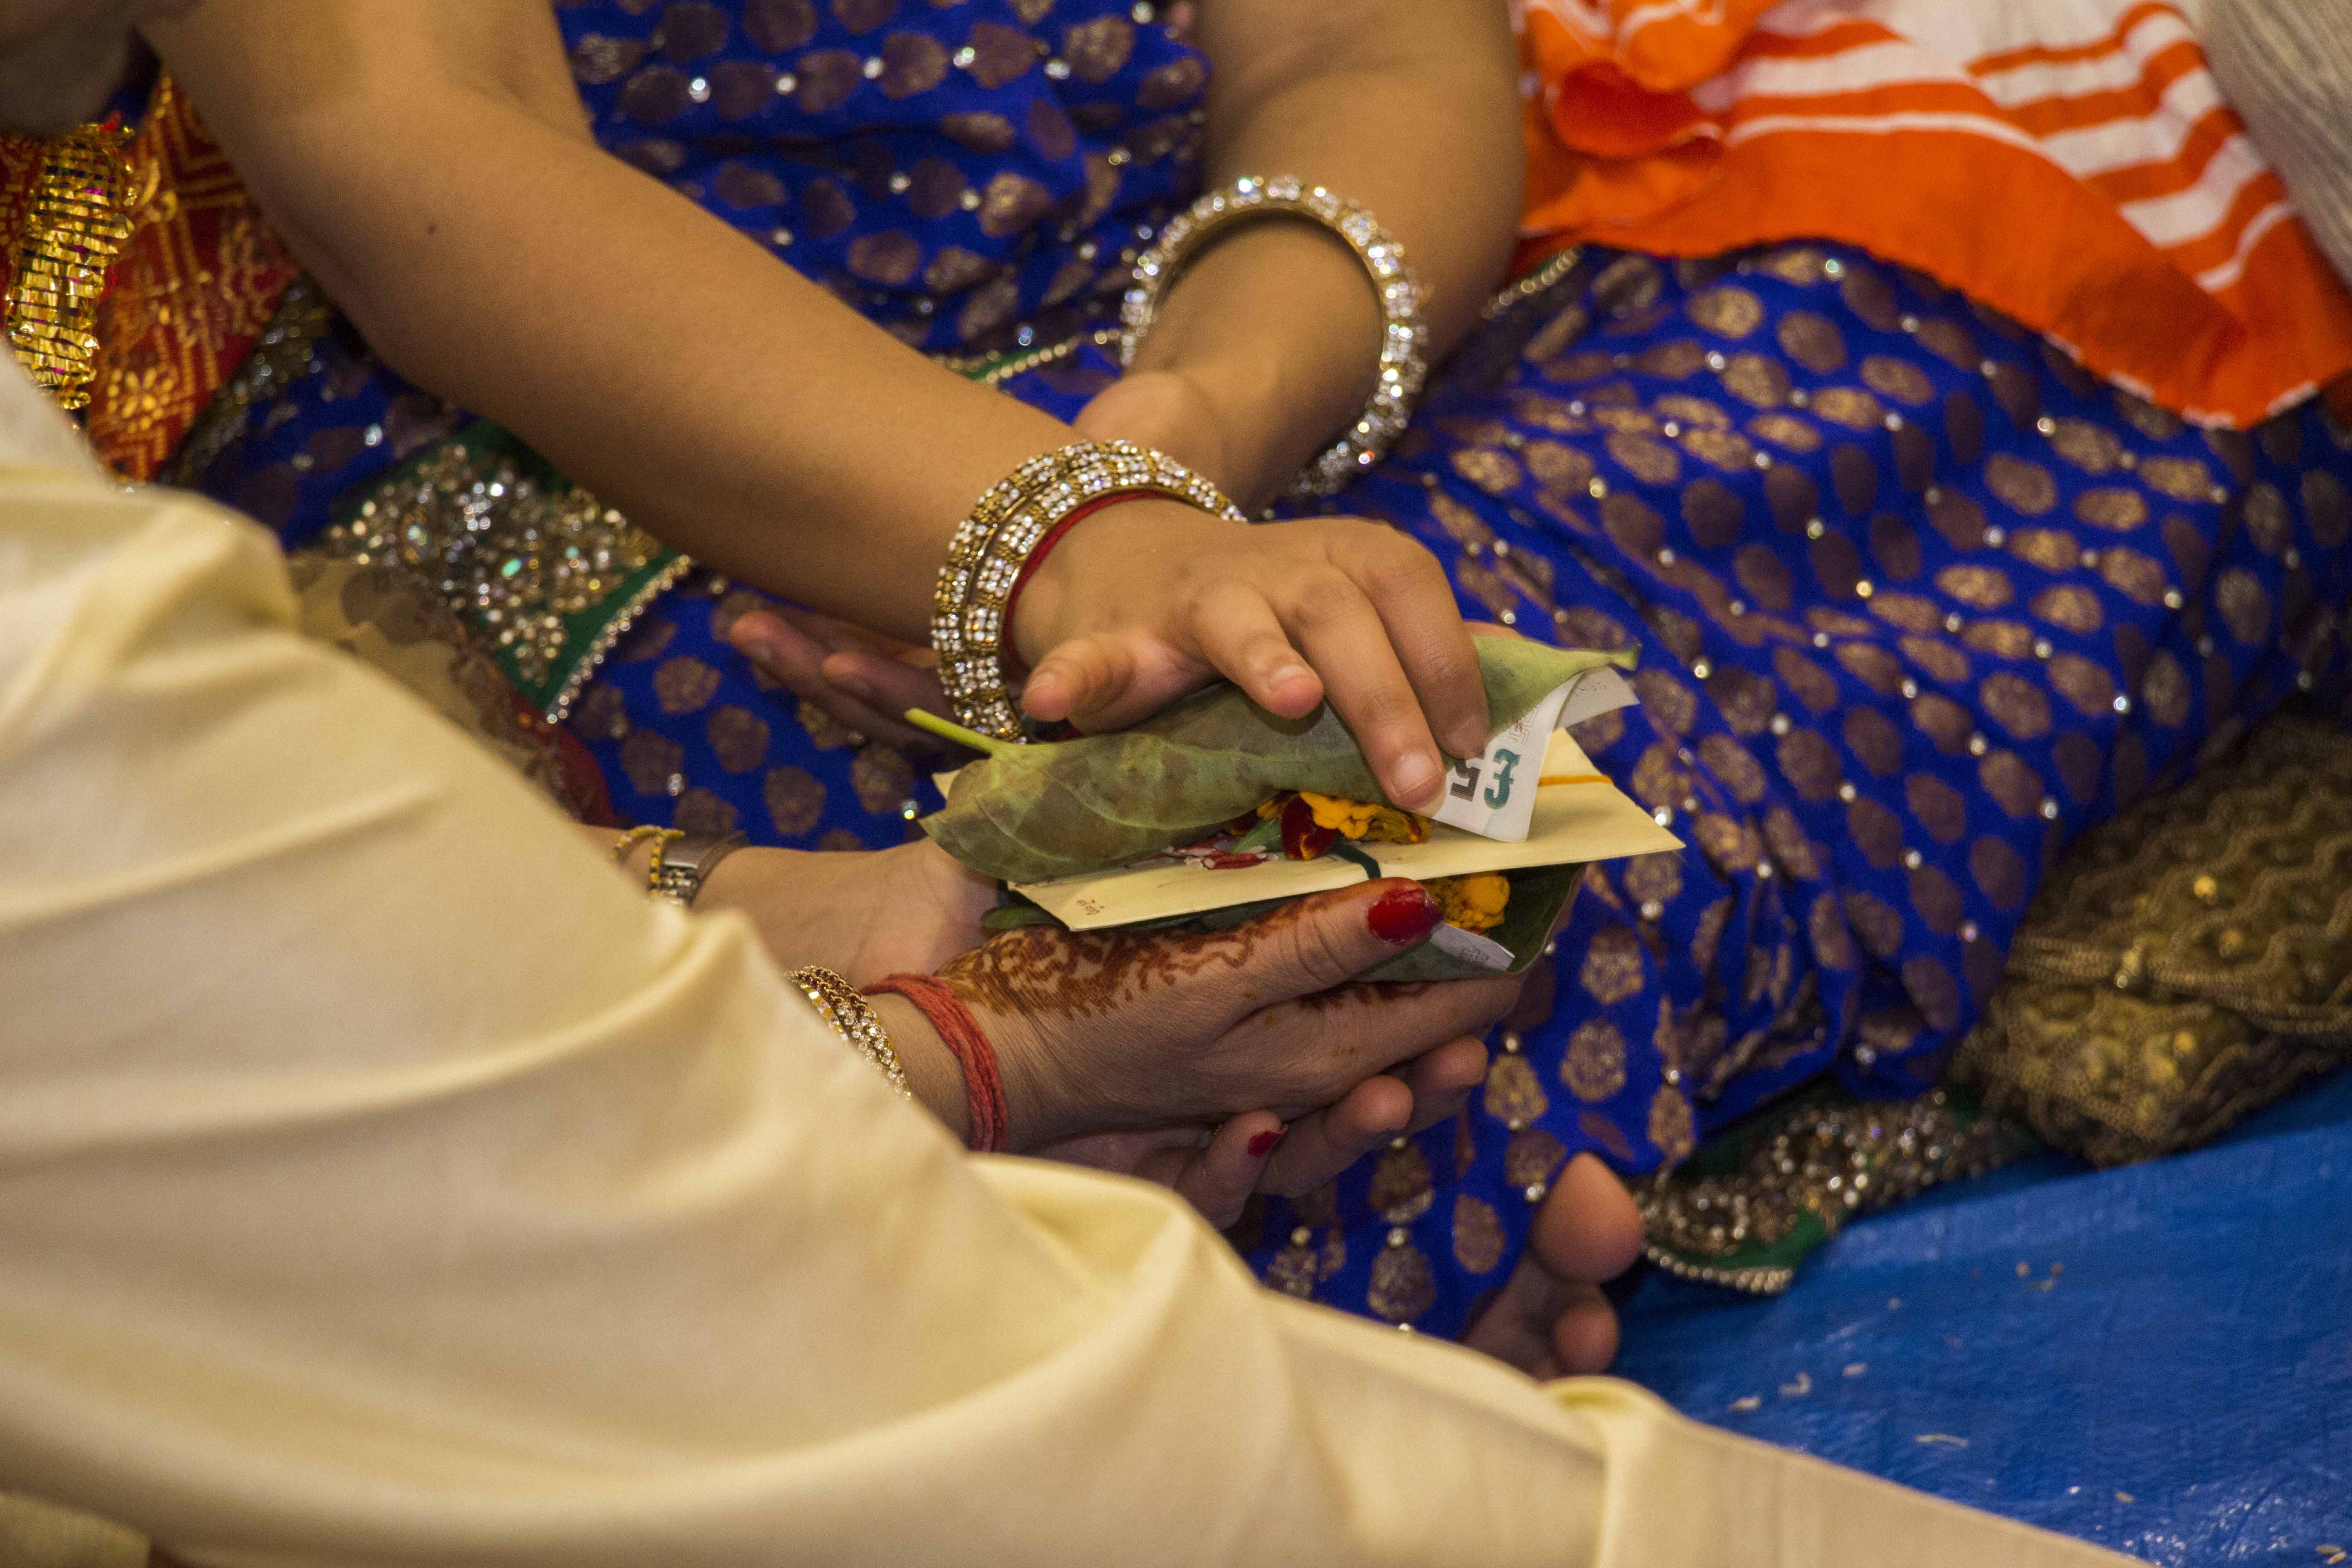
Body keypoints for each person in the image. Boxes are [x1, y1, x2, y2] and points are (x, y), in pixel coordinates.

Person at [0, 22, 2138, 1558]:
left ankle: (1347, 1257)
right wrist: (1058, 554)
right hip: (683, 502)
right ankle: (1342, 1257)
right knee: (1320, 857)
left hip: (1219, 401)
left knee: (1508, 738)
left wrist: (1200, 431)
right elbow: (418, 146)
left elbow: (1373, 65)